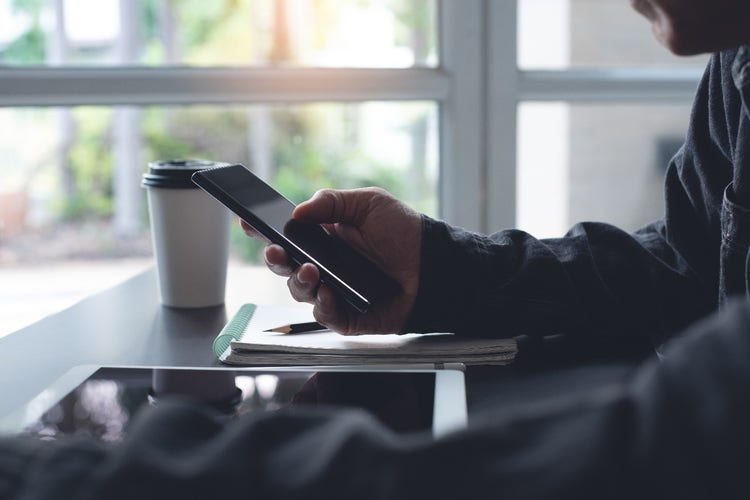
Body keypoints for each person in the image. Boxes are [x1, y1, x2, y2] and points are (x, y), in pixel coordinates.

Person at [3, 1, 750, 498]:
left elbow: (669, 445)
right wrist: (440, 266)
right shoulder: (735, 64)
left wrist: (82, 481)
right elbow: (682, 269)